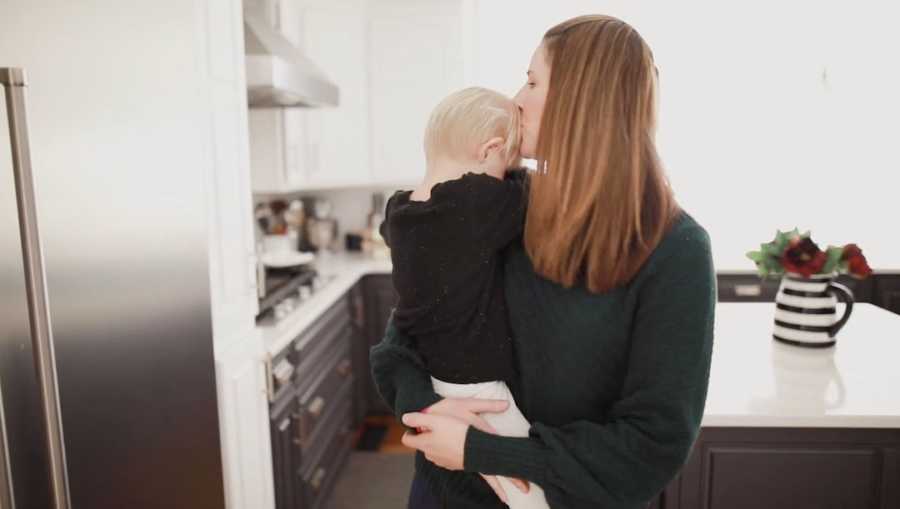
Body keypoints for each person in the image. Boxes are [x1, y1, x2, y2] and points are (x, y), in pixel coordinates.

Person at [371, 14, 716, 509]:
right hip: (445, 494)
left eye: (532, 81)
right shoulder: (497, 207)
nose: (515, 98)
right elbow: (398, 346)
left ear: (581, 99)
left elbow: (651, 446)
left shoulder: (675, 249)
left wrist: (480, 449)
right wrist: (425, 408)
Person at [379, 86, 549, 509]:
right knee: (522, 477)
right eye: (509, 162)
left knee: (483, 465)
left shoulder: (400, 211)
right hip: (478, 377)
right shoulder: (472, 205)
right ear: (488, 151)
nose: (513, 172)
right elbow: (536, 195)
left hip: (436, 373)